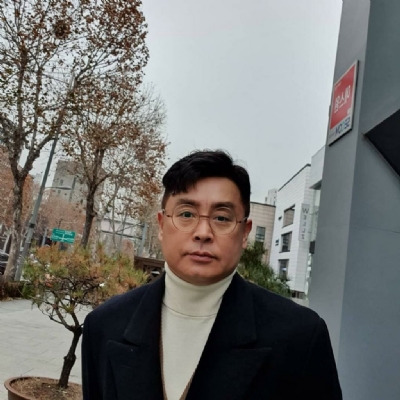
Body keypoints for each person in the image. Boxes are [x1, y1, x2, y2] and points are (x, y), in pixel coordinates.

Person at [82, 150, 342, 400]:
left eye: (221, 218)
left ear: (245, 233)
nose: (203, 232)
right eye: (186, 214)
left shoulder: (300, 336)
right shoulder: (104, 325)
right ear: (161, 225)